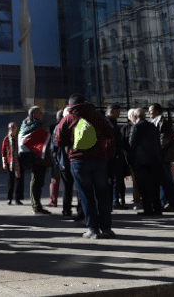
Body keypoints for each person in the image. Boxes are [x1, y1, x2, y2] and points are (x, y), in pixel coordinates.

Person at [54, 94, 115, 240]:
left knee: (86, 196)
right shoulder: (97, 116)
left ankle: (93, 229)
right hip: (99, 160)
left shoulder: (68, 118)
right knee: (103, 194)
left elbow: (58, 140)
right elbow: (110, 133)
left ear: (70, 106)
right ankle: (106, 229)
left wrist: (72, 141)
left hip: (79, 161)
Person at [127, 108, 162, 216]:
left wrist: (130, 160)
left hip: (141, 162)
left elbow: (131, 145)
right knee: (154, 187)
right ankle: (157, 208)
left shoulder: (136, 127)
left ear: (136, 117)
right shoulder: (152, 126)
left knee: (144, 187)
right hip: (154, 160)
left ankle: (148, 209)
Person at [19, 105, 51, 214]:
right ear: (33, 114)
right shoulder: (34, 125)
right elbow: (30, 140)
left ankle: (36, 205)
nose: (42, 114)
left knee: (37, 182)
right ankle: (36, 206)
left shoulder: (26, 124)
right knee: (37, 182)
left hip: (36, 156)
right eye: (39, 112)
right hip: (37, 157)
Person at [148, 104, 174, 212]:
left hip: (163, 157)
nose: (149, 113)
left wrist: (157, 153)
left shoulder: (163, 122)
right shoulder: (155, 122)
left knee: (167, 181)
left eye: (150, 111)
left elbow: (164, 140)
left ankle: (170, 203)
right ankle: (164, 202)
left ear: (157, 111)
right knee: (161, 181)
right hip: (159, 156)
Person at [106, 104, 127, 209]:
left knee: (115, 179)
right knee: (115, 179)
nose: (119, 114)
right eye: (117, 112)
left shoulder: (111, 122)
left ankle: (114, 201)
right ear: (111, 112)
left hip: (113, 155)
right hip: (113, 156)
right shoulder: (109, 123)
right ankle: (114, 201)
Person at [1, 122, 23, 205]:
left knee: (19, 181)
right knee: (11, 181)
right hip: (10, 163)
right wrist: (4, 162)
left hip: (18, 162)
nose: (12, 129)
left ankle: (18, 199)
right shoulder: (6, 139)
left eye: (13, 127)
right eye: (10, 128)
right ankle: (9, 198)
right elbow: (3, 151)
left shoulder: (18, 138)